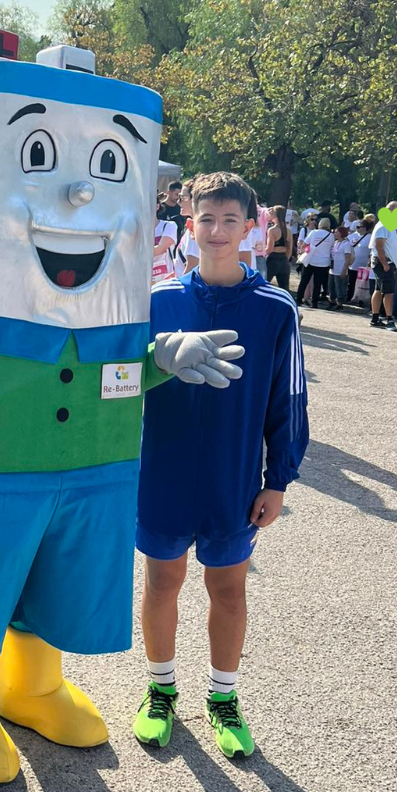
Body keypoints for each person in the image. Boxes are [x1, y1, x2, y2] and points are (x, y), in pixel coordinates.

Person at [132, 171, 308, 755]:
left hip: (232, 475)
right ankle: (160, 689)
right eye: (206, 219)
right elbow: (121, 383)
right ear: (189, 226)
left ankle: (224, 697)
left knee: (228, 589)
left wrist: (278, 480)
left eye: (230, 220)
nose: (217, 230)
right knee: (162, 581)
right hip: (164, 468)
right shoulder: (159, 299)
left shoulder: (275, 308)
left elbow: (288, 397)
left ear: (251, 227)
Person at [369, 204, 397, 330]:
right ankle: (389, 319)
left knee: (379, 290)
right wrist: (385, 264)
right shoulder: (383, 226)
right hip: (385, 262)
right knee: (389, 292)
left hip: (387, 261)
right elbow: (379, 245)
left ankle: (375, 317)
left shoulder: (389, 225)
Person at [295, 214, 334, 309]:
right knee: (318, 283)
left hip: (311, 259)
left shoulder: (313, 232)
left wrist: (302, 253)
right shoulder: (331, 236)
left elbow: (305, 244)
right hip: (323, 262)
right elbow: (331, 248)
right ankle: (314, 302)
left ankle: (299, 298)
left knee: (304, 280)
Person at [265, 206, 292, 290]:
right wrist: (286, 259)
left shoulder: (272, 230)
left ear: (275, 215)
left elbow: (269, 249)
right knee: (284, 288)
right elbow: (289, 249)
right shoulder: (288, 231)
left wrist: (260, 250)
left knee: (264, 285)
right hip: (284, 259)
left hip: (273, 259)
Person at [152, 203, 178, 286]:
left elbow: (161, 249)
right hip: (146, 279)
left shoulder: (168, 226)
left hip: (165, 279)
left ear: (157, 206)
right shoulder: (139, 231)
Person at [327, 225, 351, 309]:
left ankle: (340, 303)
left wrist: (344, 270)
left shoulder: (346, 244)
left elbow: (348, 258)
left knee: (339, 286)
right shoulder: (335, 242)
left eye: (336, 232)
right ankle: (332, 301)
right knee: (331, 286)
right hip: (333, 268)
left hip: (340, 268)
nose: (335, 233)